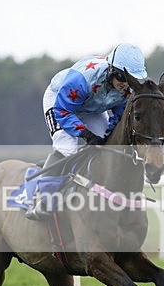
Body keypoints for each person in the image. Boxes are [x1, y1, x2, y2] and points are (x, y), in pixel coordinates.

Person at [26, 44, 147, 220]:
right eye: (122, 77)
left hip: (91, 105)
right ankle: (40, 197)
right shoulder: (83, 79)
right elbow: (63, 110)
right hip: (61, 102)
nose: (125, 84)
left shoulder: (128, 88)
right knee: (67, 148)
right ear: (111, 69)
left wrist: (109, 132)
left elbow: (119, 113)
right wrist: (86, 134)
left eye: (131, 79)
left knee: (107, 146)